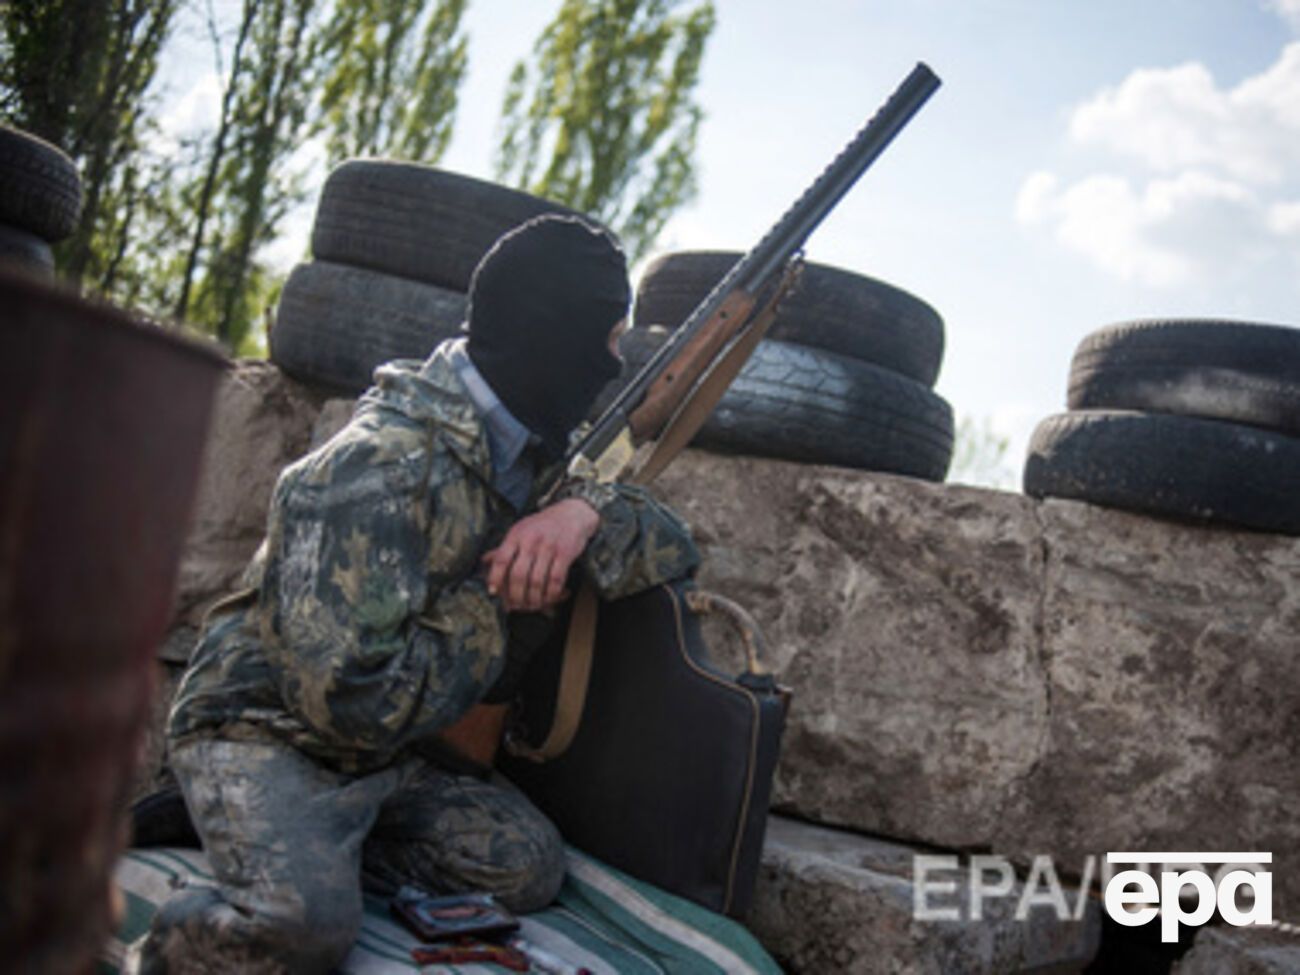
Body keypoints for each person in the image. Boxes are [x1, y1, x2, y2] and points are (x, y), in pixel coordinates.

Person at [133, 214, 700, 973]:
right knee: (300, 931)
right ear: (549, 335)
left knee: (526, 865)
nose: (612, 364)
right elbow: (347, 704)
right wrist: (498, 602)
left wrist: (582, 513)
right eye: (606, 338)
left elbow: (674, 546)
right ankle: (171, 923)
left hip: (391, 755)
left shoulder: (535, 440)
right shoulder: (370, 470)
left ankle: (292, 842)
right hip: (268, 729)